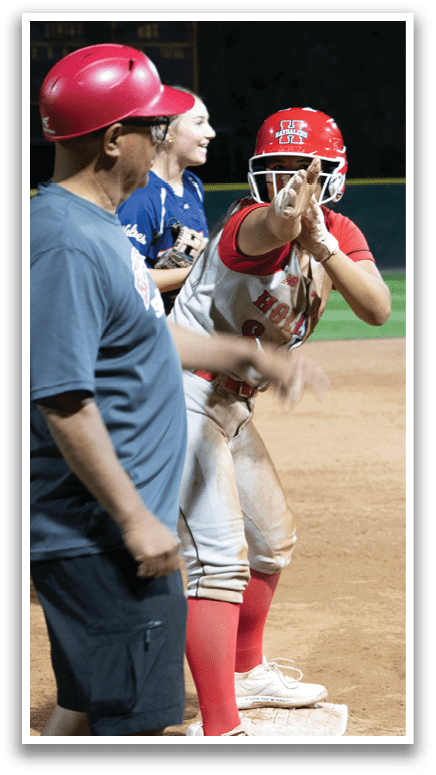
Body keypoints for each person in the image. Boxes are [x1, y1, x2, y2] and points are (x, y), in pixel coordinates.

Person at [30, 48, 328, 739]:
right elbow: (63, 400)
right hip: (105, 535)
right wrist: (137, 520)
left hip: (111, 529)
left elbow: (142, 337)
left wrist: (243, 353)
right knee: (133, 722)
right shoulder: (67, 243)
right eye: (152, 125)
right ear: (113, 140)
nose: (163, 136)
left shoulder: (97, 229)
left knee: (85, 710)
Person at [169, 107, 392, 736]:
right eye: (278, 170)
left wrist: (323, 244)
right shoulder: (250, 222)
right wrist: (290, 214)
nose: (290, 182)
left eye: (307, 171)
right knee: (217, 561)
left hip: (232, 405)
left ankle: (246, 669)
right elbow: (275, 222)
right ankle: (221, 726)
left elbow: (376, 307)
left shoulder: (338, 231)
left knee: (273, 540)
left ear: (336, 177)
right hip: (183, 394)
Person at [118, 87, 215, 313]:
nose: (211, 133)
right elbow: (125, 281)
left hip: (185, 321)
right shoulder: (141, 194)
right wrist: (203, 272)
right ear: (166, 132)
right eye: (199, 122)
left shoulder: (193, 185)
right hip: (148, 328)